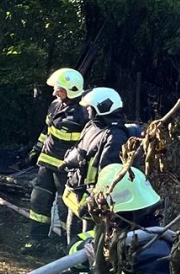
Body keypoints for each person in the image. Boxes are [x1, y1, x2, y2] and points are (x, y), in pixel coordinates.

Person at [61, 87, 143, 248]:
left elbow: (108, 171)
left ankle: (90, 271)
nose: (87, 110)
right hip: (78, 188)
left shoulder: (115, 136)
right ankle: (73, 266)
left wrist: (96, 197)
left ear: (102, 107)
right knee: (74, 236)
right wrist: (68, 160)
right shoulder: (92, 126)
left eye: (90, 107)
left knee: (90, 237)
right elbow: (81, 149)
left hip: (94, 196)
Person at [27, 68, 88, 242]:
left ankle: (64, 244)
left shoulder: (83, 113)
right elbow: (48, 130)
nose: (54, 92)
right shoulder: (55, 105)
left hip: (67, 169)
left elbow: (85, 143)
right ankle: (36, 240)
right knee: (38, 200)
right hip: (46, 163)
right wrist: (37, 149)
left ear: (72, 90)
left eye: (59, 89)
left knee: (65, 207)